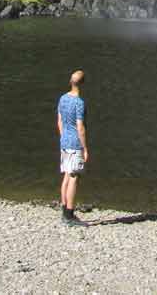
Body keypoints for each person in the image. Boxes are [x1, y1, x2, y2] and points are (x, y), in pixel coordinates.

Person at [57, 69, 89, 225]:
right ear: (82, 83)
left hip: (64, 141)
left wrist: (64, 136)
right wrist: (85, 148)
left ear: (70, 81)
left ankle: (64, 210)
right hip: (75, 142)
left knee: (66, 175)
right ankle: (70, 215)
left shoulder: (62, 98)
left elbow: (60, 121)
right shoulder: (79, 102)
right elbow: (80, 127)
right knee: (74, 177)